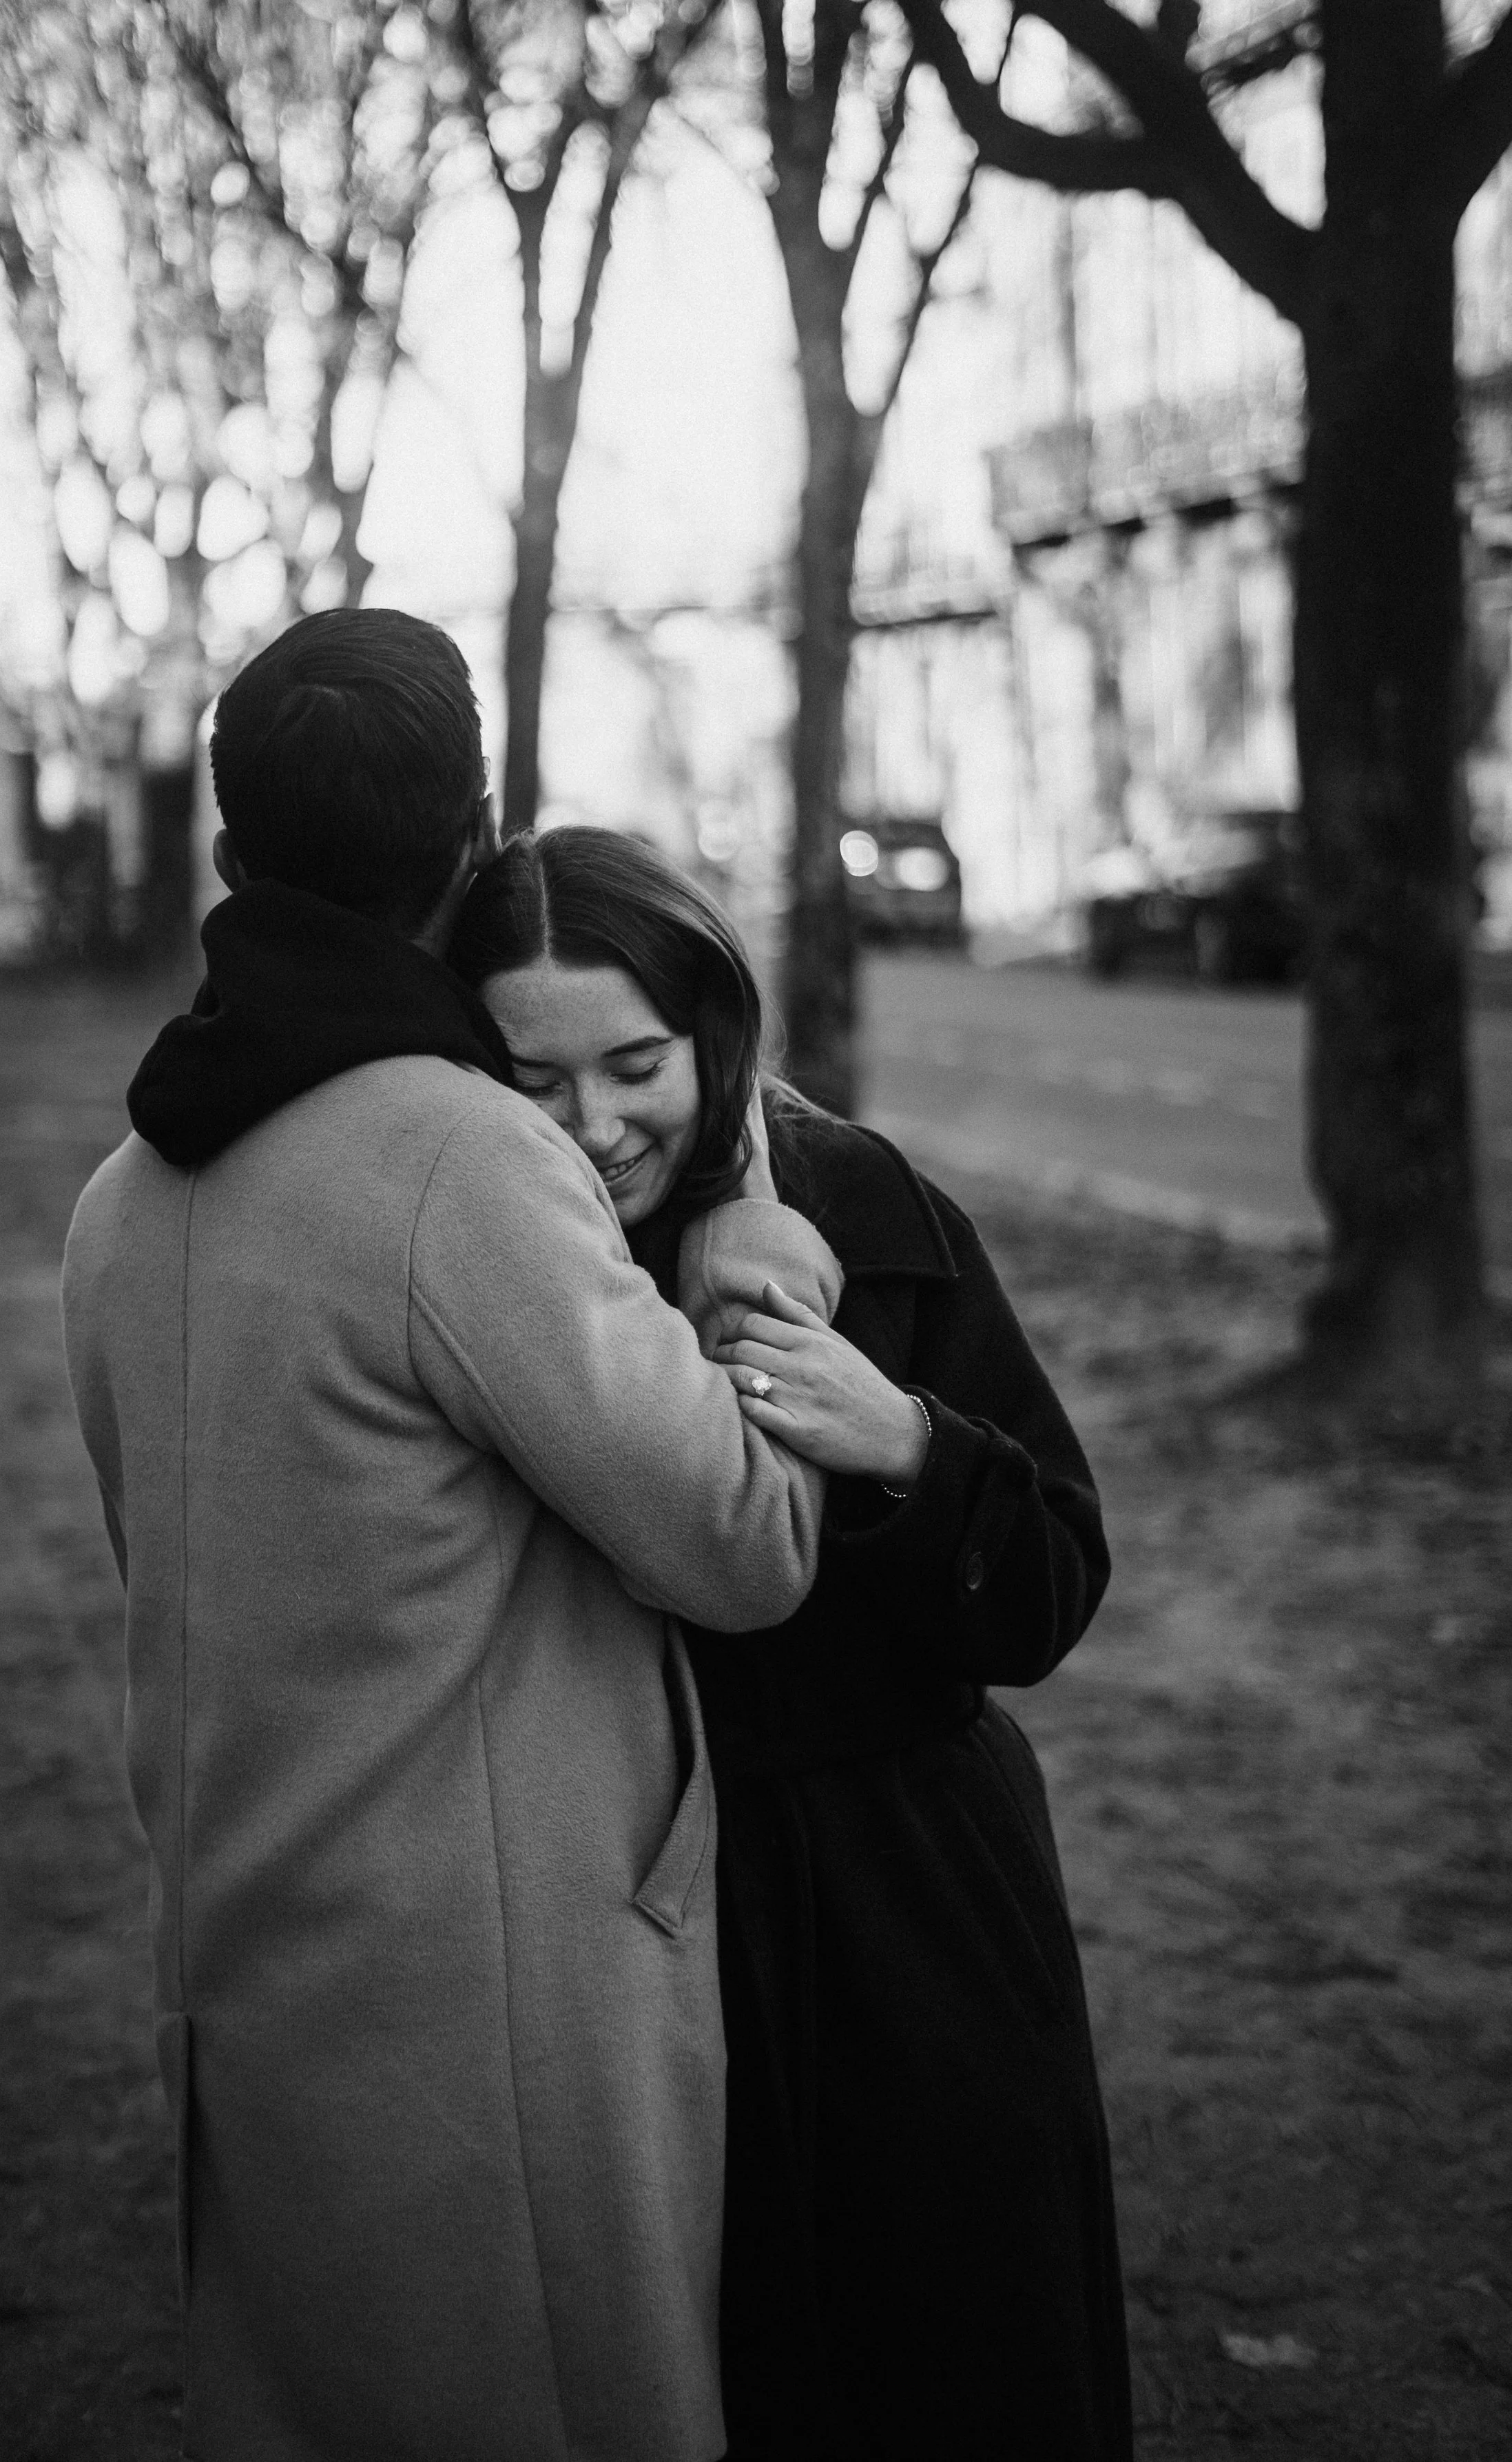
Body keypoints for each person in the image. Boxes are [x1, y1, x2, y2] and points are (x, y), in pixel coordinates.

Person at [61, 612, 847, 2462]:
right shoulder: (457, 1160)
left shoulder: (118, 1199)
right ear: (476, 837)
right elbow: (746, 1537)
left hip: (252, 1963)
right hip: (491, 2012)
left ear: (231, 862)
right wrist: (748, 1242)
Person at [449, 825, 1135, 2462]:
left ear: (712, 1034)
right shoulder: (461, 1258)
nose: (596, 1126)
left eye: (636, 1064)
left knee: (961, 2366)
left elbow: (1048, 1582)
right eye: (531, 1081)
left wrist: (904, 1442)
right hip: (632, 1924)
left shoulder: (861, 1200)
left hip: (912, 1899)